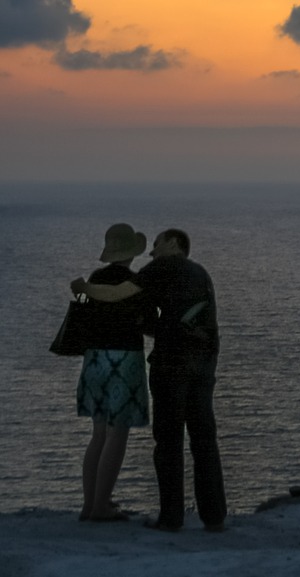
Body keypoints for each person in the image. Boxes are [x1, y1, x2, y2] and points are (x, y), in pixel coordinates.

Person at [72, 228, 227, 533]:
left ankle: (171, 518)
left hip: (171, 364)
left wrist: (83, 289)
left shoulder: (161, 267)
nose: (152, 253)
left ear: (173, 242)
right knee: (204, 439)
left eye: (155, 245)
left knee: (168, 441)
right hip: (204, 365)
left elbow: (118, 295)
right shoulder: (202, 274)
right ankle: (215, 516)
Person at [76, 223, 154, 522]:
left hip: (95, 359)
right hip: (124, 360)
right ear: (131, 253)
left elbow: (84, 313)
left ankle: (89, 504)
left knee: (98, 434)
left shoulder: (95, 279)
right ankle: (101, 507)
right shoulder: (136, 283)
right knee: (117, 434)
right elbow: (148, 323)